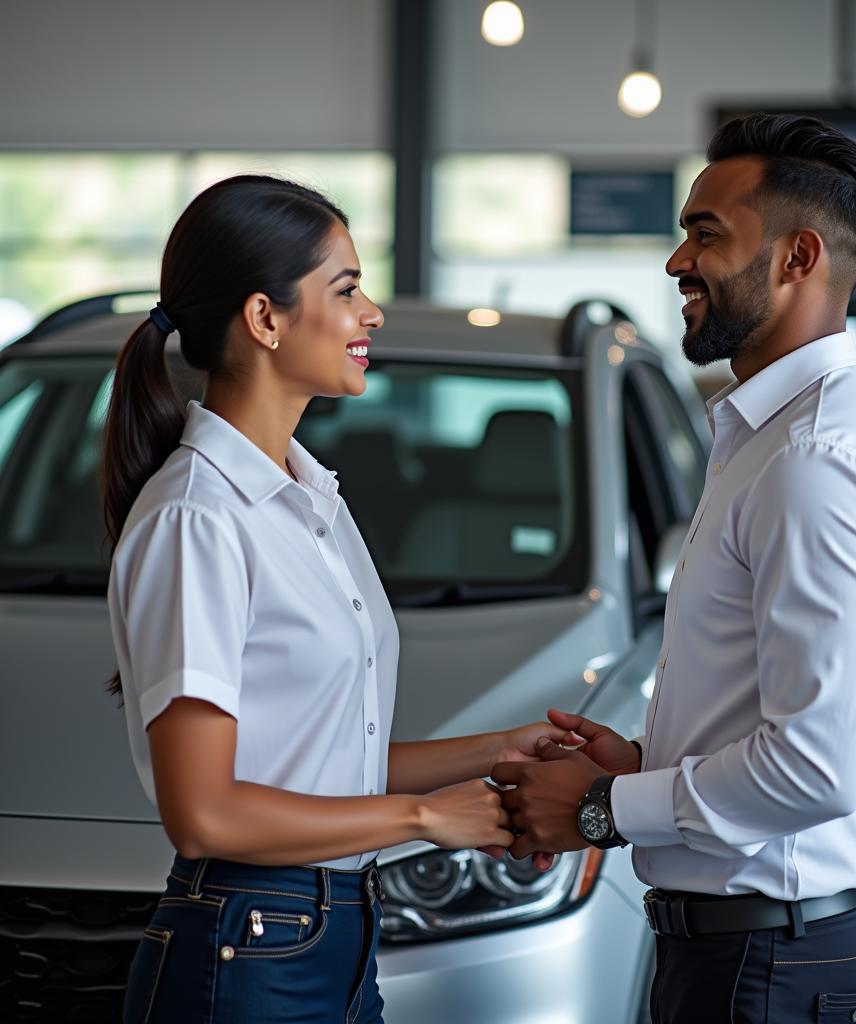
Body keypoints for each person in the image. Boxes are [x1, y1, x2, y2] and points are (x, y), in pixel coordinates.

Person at [493, 114, 856, 1022]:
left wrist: (606, 808)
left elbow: (820, 767)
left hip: (769, 966)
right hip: (752, 955)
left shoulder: (812, 462)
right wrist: (642, 766)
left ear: (796, 257)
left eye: (705, 234)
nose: (675, 262)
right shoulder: (771, 438)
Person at [102, 174, 575, 1023]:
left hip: (332, 934)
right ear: (265, 318)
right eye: (348, 288)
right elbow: (204, 813)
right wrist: (427, 816)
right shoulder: (198, 518)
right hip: (249, 944)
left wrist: (501, 748)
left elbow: (326, 768)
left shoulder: (310, 497)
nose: (372, 314)